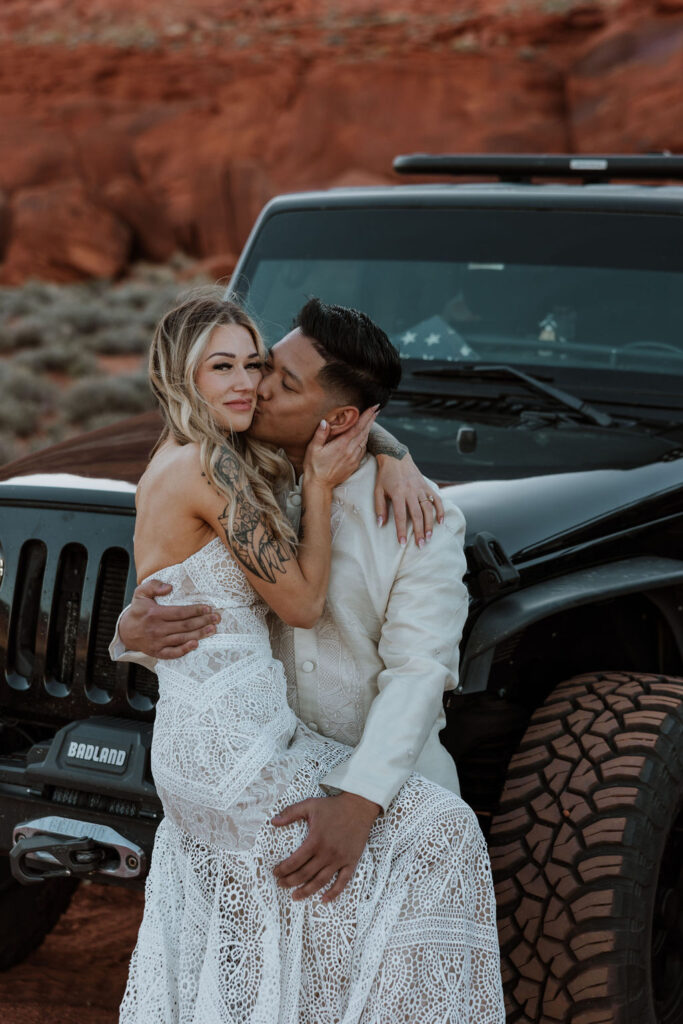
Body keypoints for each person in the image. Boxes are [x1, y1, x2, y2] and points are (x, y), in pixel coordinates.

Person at [117, 290, 505, 1023]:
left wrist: (358, 801)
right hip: (256, 761)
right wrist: (130, 631)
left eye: (277, 379)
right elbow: (183, 580)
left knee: (344, 974)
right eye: (254, 367)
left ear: (341, 420)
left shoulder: (421, 520)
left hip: (363, 775)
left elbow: (420, 672)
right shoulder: (245, 467)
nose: (254, 386)